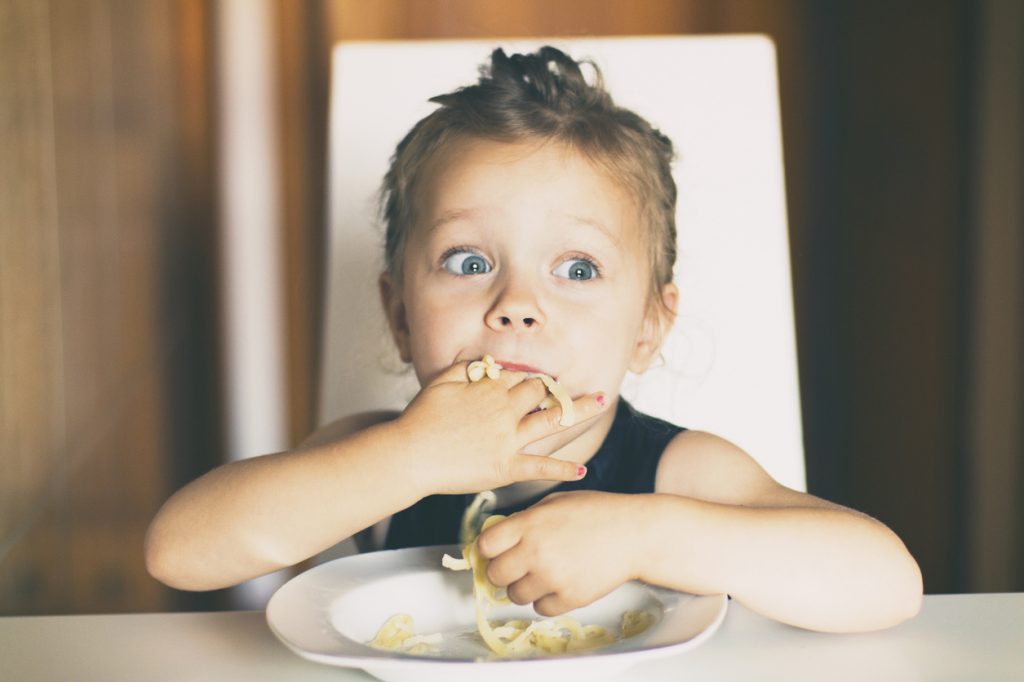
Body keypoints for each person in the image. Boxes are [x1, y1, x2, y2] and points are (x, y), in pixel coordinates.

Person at [145, 45, 922, 633]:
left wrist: (646, 534)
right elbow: (178, 551)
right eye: (471, 261)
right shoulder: (376, 461)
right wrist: (407, 459)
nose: (516, 304)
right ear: (401, 316)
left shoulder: (677, 473)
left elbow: (886, 582)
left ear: (648, 327)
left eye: (577, 268)